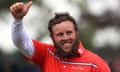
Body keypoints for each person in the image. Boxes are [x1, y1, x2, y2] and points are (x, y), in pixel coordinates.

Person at [10, 1, 111, 72]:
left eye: (69, 32)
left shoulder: (96, 63)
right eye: (60, 34)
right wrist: (18, 20)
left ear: (76, 33)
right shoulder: (46, 53)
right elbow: (21, 42)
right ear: (52, 37)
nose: (65, 38)